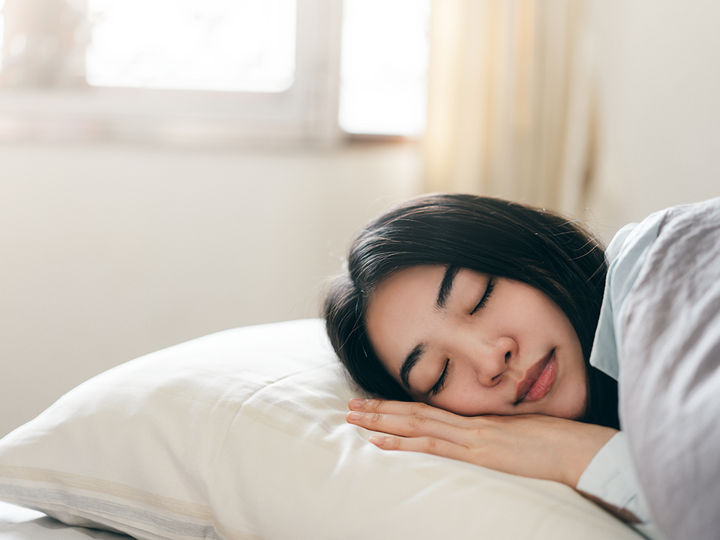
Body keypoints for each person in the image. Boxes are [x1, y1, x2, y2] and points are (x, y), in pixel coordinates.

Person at [324, 193, 720, 540]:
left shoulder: (657, 259)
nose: (491, 359)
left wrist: (575, 453)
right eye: (439, 374)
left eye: (480, 297)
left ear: (529, 252)